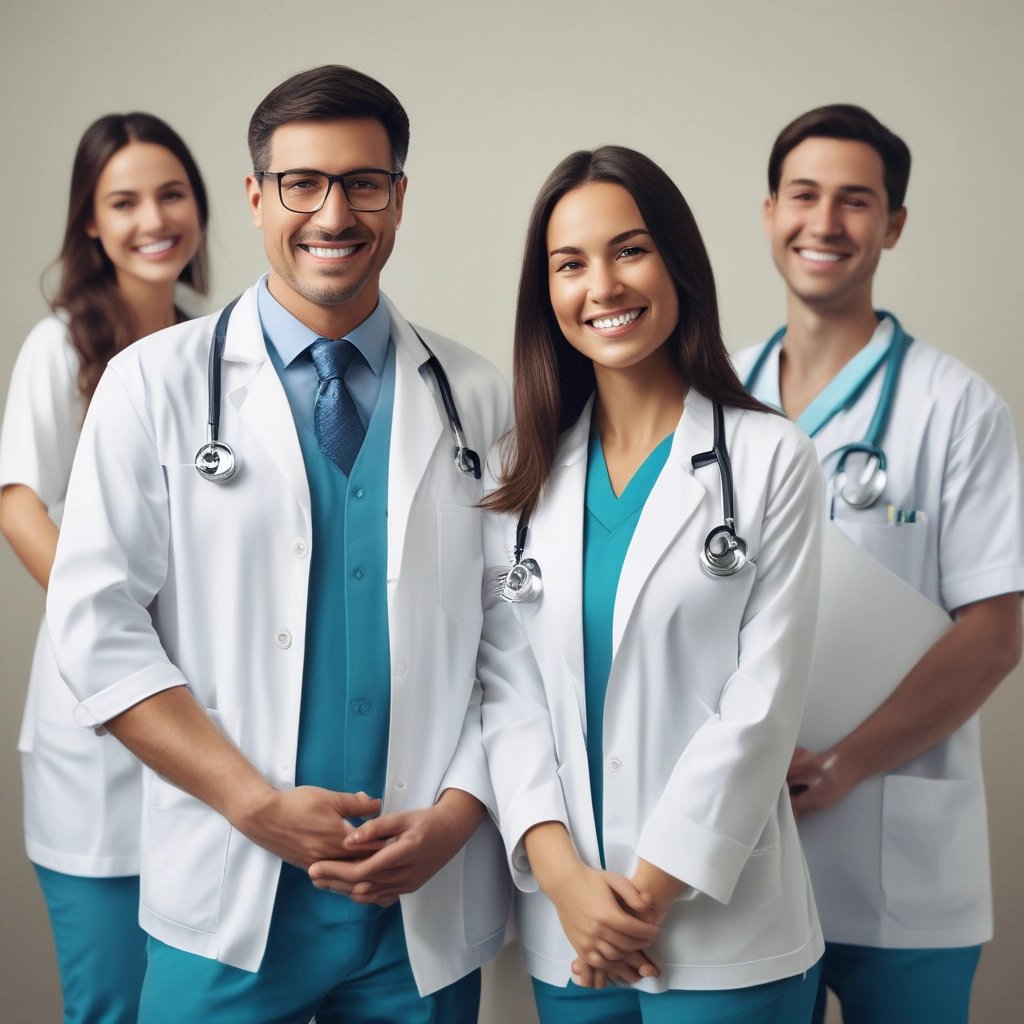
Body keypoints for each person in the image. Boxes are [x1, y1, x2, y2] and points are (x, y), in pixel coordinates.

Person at [45, 65, 511, 1024]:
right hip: (230, 890)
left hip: (414, 897)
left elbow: (516, 644)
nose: (333, 213)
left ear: (398, 197)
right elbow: (96, 627)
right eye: (303, 183)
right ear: (257, 196)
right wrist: (251, 803)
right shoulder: (153, 385)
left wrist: (458, 815)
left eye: (363, 183)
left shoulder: (478, 396)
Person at [476, 145, 825, 1024]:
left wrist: (643, 895)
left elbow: (764, 701)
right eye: (570, 264)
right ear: (545, 294)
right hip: (572, 934)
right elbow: (506, 694)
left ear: (678, 262)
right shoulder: (521, 479)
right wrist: (564, 881)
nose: (602, 286)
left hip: (723, 932)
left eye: (629, 250)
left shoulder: (769, 460)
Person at [734, 103, 1024, 1024]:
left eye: (855, 202)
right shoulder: (715, 398)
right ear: (769, 209)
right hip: (740, 852)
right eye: (804, 196)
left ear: (892, 225)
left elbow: (996, 629)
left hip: (900, 857)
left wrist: (848, 765)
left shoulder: (957, 407)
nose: (825, 224)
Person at [0, 111, 209, 1024]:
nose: (152, 218)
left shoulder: (221, 338)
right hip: (95, 718)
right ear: (90, 221)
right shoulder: (58, 346)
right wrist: (112, 615)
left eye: (171, 193)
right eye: (123, 201)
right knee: (111, 999)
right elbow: (16, 501)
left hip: (206, 701)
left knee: (197, 989)